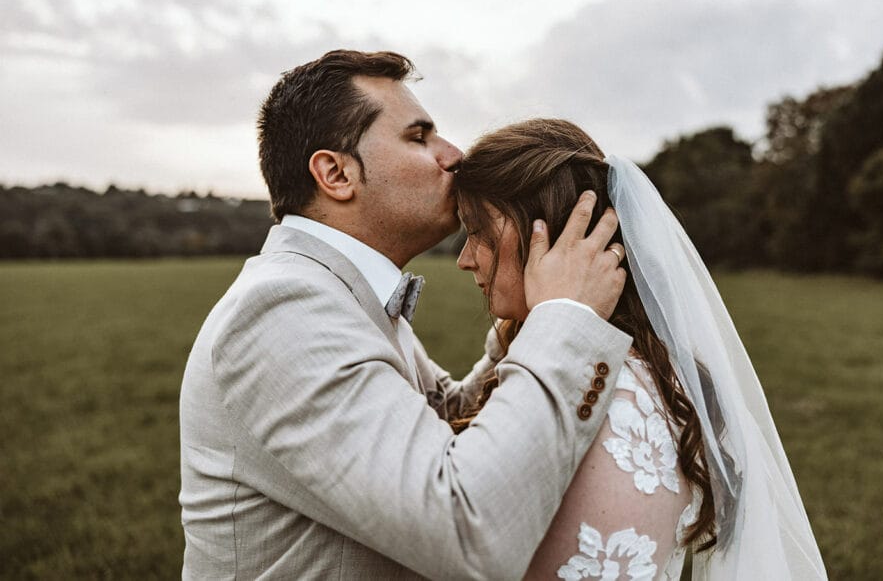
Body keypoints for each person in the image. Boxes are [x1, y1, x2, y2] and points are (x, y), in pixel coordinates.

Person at [179, 51, 634, 580]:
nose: (453, 154)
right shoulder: (283, 310)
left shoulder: (342, 294)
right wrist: (567, 320)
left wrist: (530, 313)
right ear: (336, 173)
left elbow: (455, 417)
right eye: (419, 137)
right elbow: (468, 529)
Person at [454, 119, 828, 580]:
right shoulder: (573, 364)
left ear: (545, 230)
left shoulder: (624, 407)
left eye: (476, 231)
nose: (464, 257)